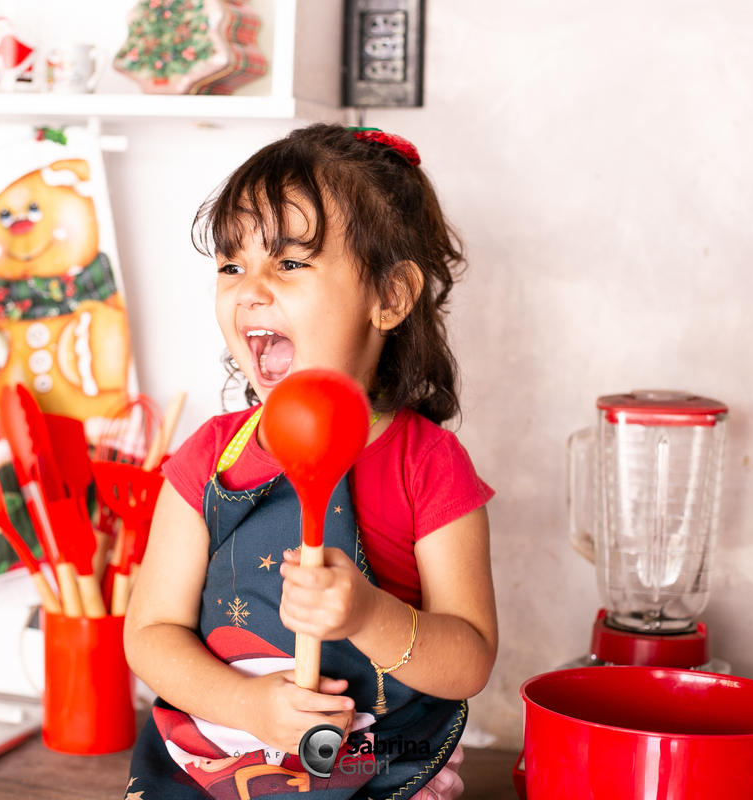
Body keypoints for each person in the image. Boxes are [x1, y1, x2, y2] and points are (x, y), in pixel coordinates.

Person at [123, 123, 497, 800]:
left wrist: (367, 616)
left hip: (382, 769)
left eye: (289, 264)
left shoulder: (430, 464)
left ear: (389, 296)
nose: (250, 288)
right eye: (232, 265)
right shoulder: (209, 457)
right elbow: (150, 635)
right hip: (216, 761)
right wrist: (248, 708)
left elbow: (468, 660)